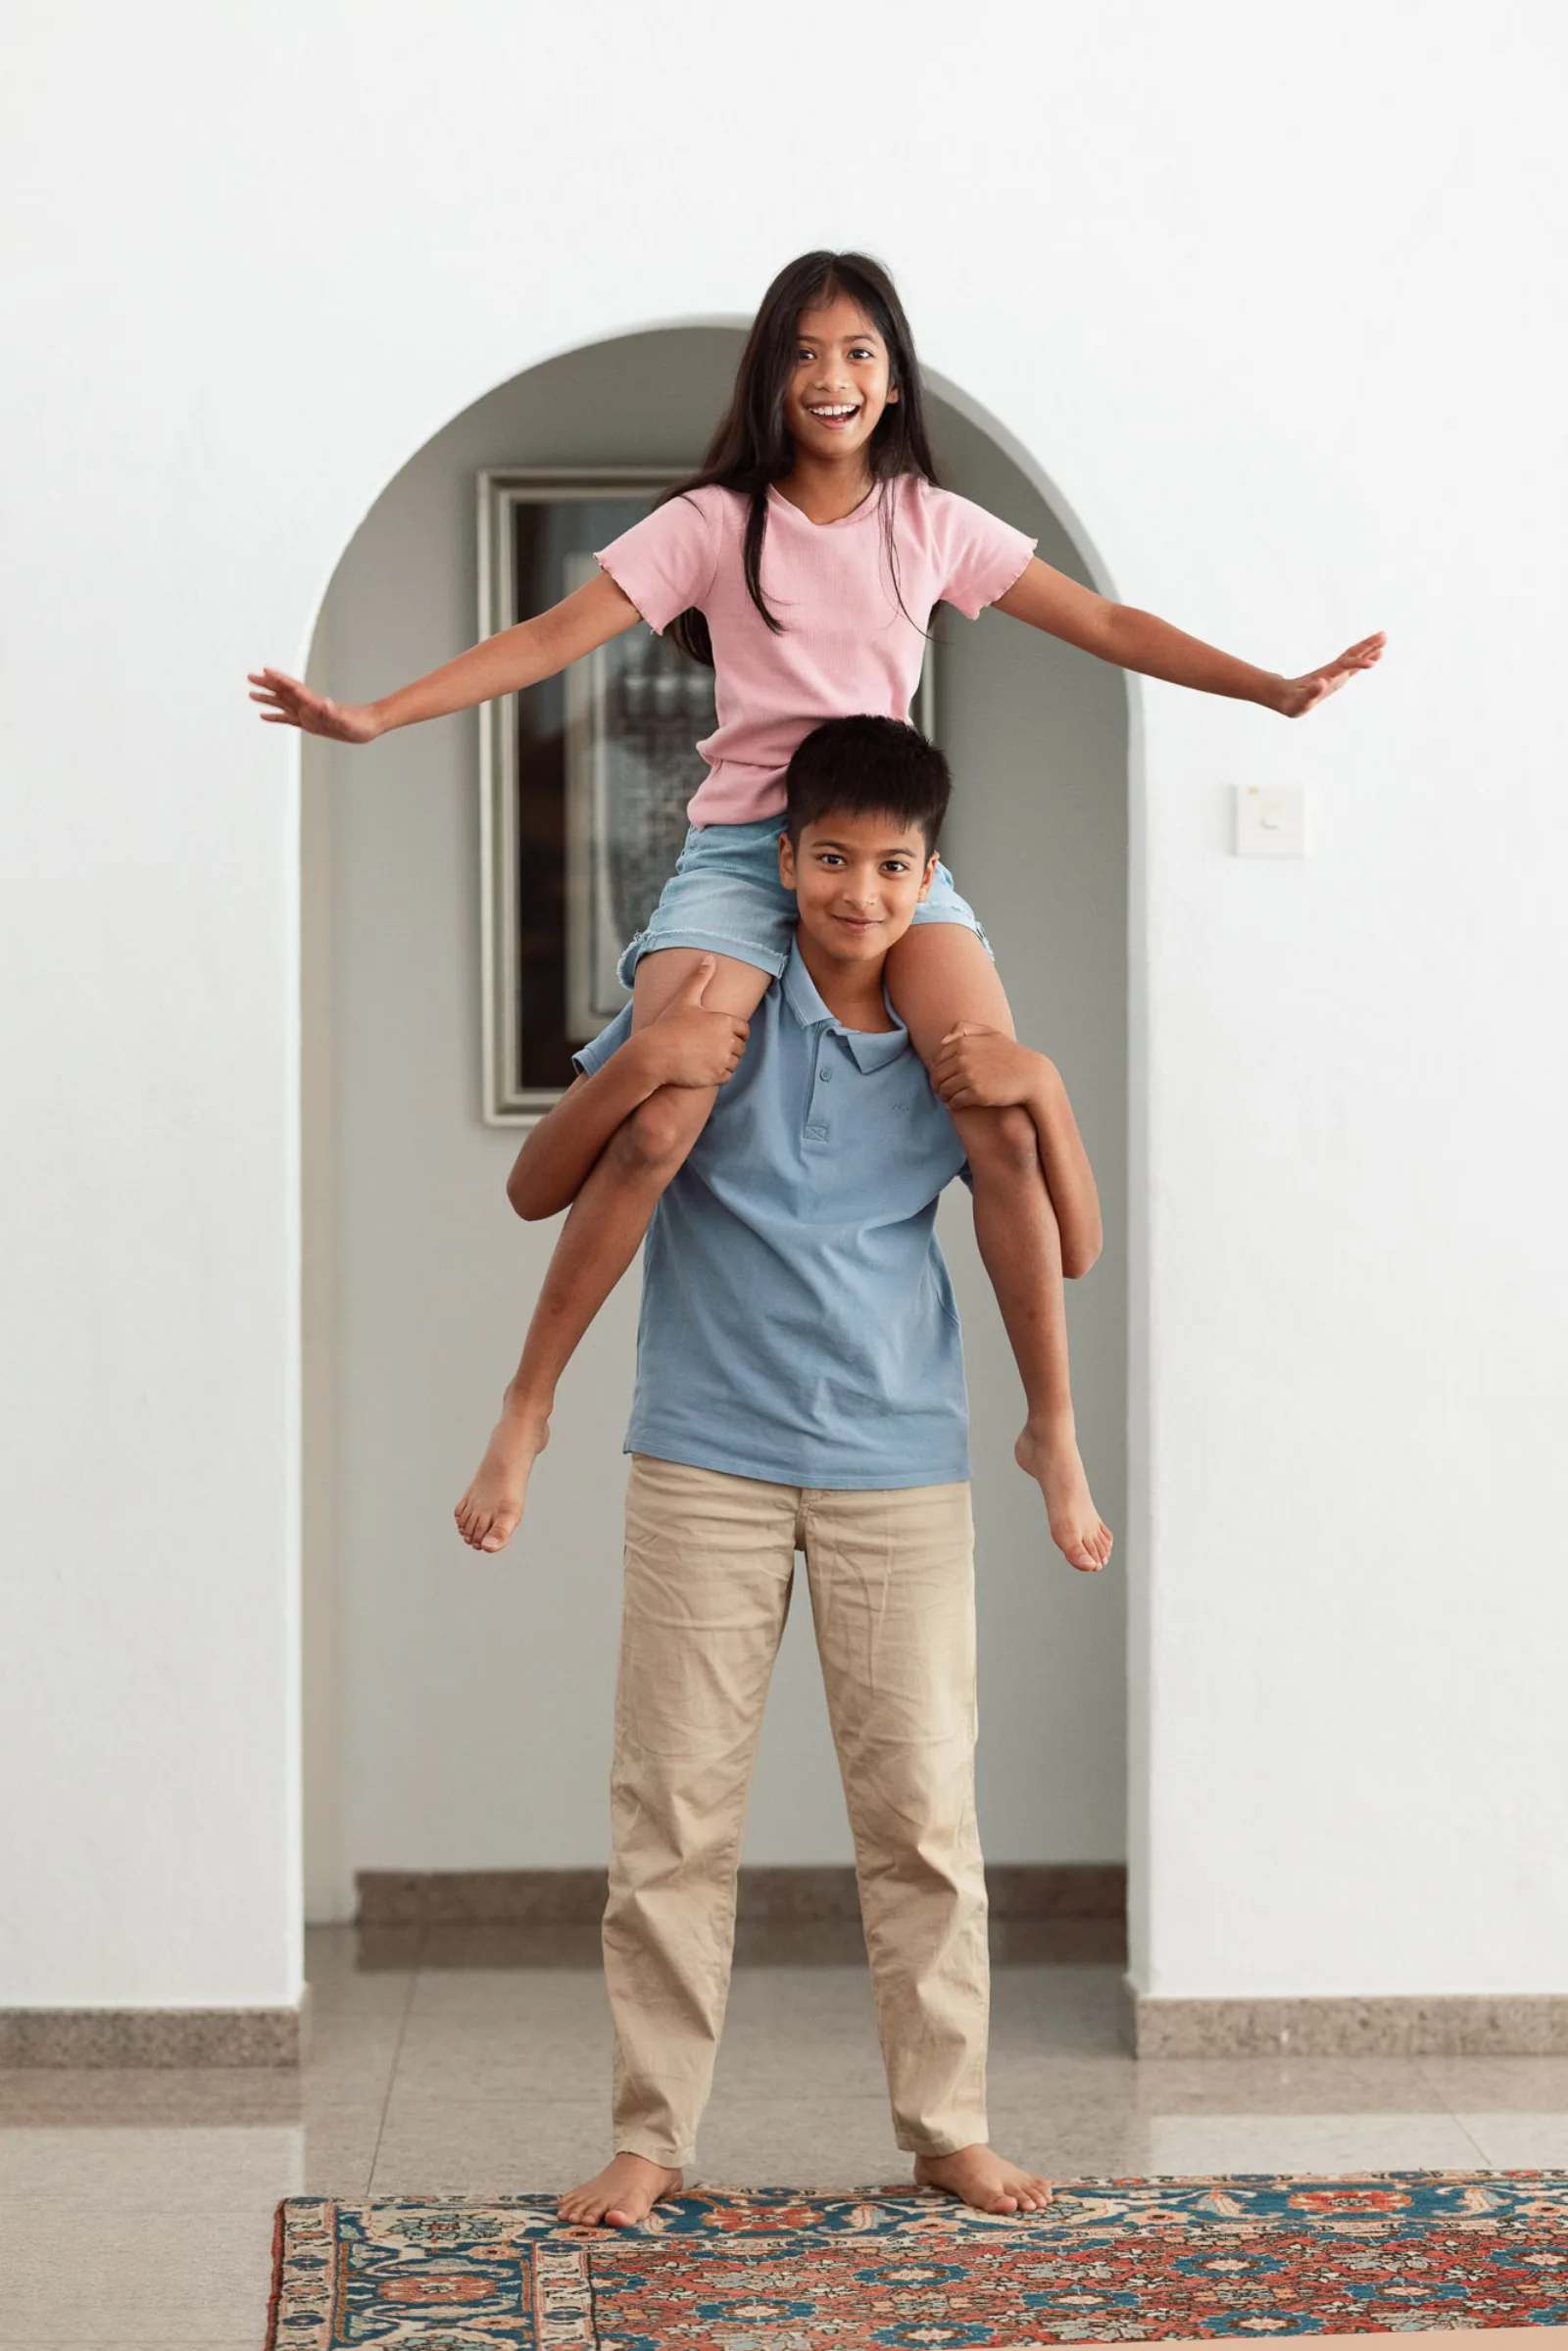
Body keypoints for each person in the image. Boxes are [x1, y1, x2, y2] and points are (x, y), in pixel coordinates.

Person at [250, 249, 1383, 1571]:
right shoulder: (712, 525)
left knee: (995, 1104)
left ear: (892, 377)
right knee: (662, 1111)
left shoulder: (930, 524)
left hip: (884, 858)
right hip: (747, 851)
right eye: (802, 352)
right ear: (770, 376)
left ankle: (1051, 1427)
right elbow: (551, 638)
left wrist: (1271, 690)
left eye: (856, 352)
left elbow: (1108, 625)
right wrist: (377, 714)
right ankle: (529, 1403)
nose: (829, 377)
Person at [510, 717, 1102, 2226]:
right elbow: (537, 1184)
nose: (858, 891)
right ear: (780, 859)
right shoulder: (712, 1009)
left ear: (929, 877)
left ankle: (949, 2125)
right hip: (702, 1454)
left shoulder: (953, 1055)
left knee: (922, 1814)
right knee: (673, 1811)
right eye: (831, 858)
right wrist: (641, 1058)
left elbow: (1072, 1242)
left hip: (899, 1462)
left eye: (892, 867)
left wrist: (1042, 1084)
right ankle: (650, 2134)